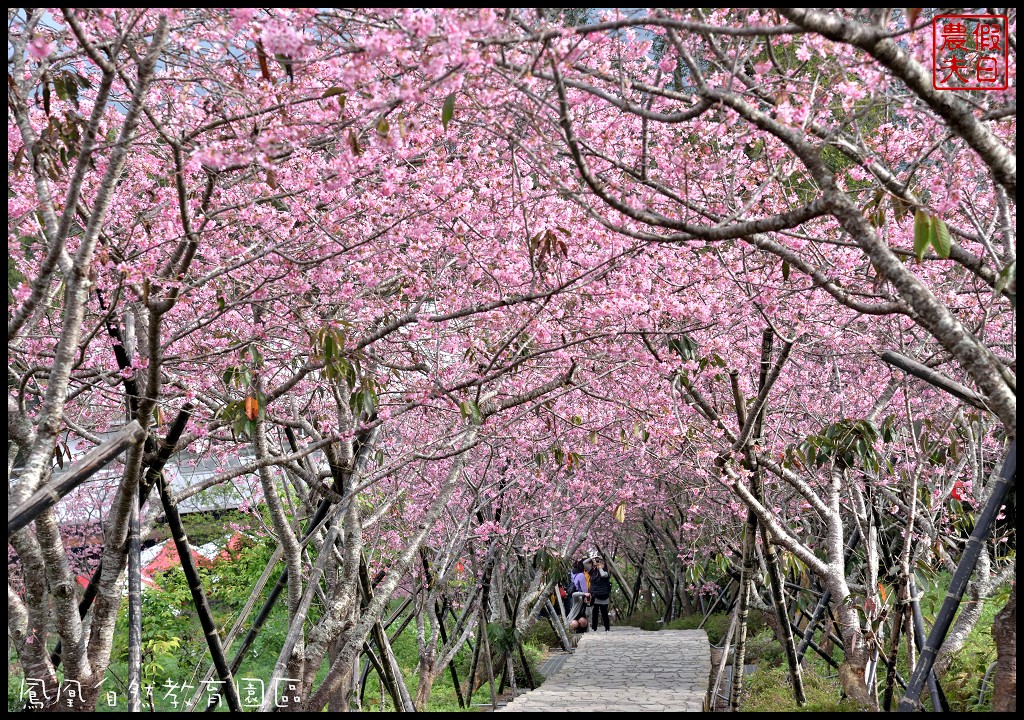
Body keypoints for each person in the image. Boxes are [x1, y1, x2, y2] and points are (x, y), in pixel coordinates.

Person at [589, 556, 612, 632]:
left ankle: (607, 628)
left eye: (602, 564)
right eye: (599, 563)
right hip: (595, 595)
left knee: (604, 612)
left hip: (604, 595)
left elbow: (602, 575)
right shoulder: (593, 572)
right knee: (595, 612)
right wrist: (592, 558)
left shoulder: (606, 573)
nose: (600, 564)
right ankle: (594, 628)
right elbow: (584, 563)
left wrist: (600, 568)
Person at [569, 559, 591, 632]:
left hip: (574, 597)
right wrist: (585, 594)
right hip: (577, 596)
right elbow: (583, 589)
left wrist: (588, 603)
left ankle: (580, 631)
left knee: (583, 621)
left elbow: (588, 614)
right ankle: (572, 630)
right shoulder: (581, 575)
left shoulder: (573, 573)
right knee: (574, 623)